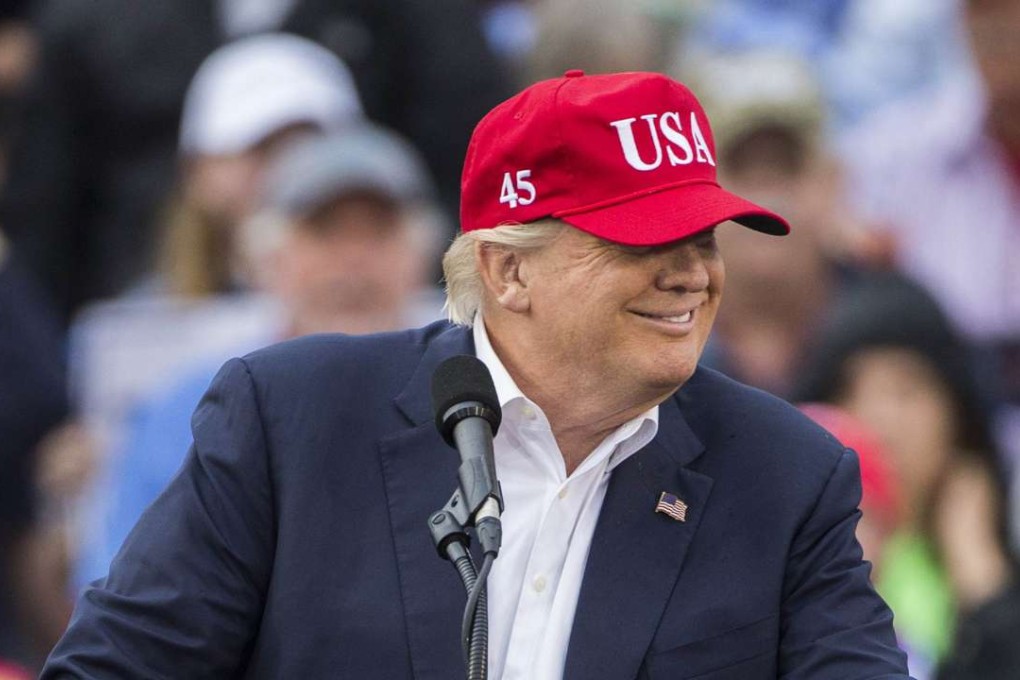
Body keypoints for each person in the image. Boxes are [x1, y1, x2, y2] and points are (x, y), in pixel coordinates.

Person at [41, 70, 908, 679]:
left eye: (703, 238)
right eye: (642, 242)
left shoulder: (786, 476)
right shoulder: (288, 423)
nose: (692, 274)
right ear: (506, 271)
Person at [72, 122, 446, 589]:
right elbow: (117, 583)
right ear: (268, 256)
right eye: (325, 231)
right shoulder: (195, 405)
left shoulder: (465, 397)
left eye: (377, 232)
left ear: (420, 254)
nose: (353, 258)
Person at [796, 272, 1020, 678]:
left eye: (907, 389)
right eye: (850, 389)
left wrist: (980, 573)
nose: (880, 419)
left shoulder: (998, 548)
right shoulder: (798, 552)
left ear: (957, 412)